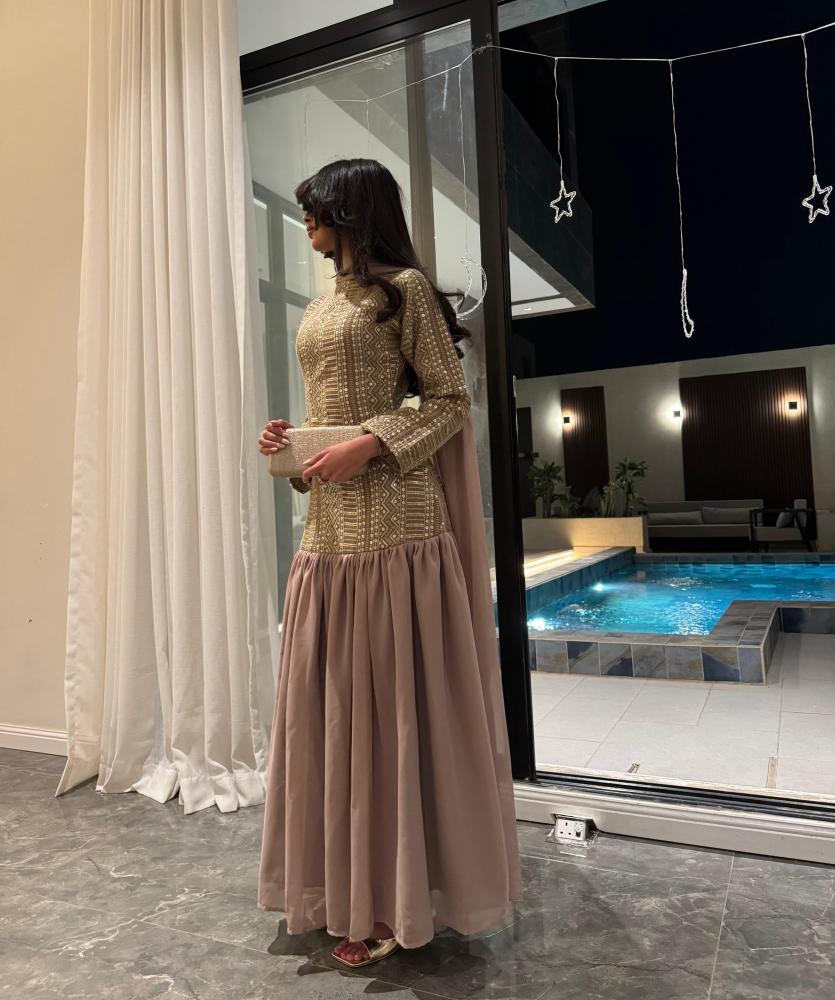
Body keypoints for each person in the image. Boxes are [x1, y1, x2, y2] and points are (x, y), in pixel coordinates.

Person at [256, 158, 521, 969]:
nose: (307, 223)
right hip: (328, 532)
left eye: (316, 210)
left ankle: (396, 898)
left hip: (398, 534)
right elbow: (329, 417)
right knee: (330, 715)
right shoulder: (322, 305)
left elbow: (448, 403)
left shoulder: (404, 293)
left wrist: (371, 443)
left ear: (351, 213)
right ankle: (341, 888)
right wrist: (293, 447)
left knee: (393, 718)